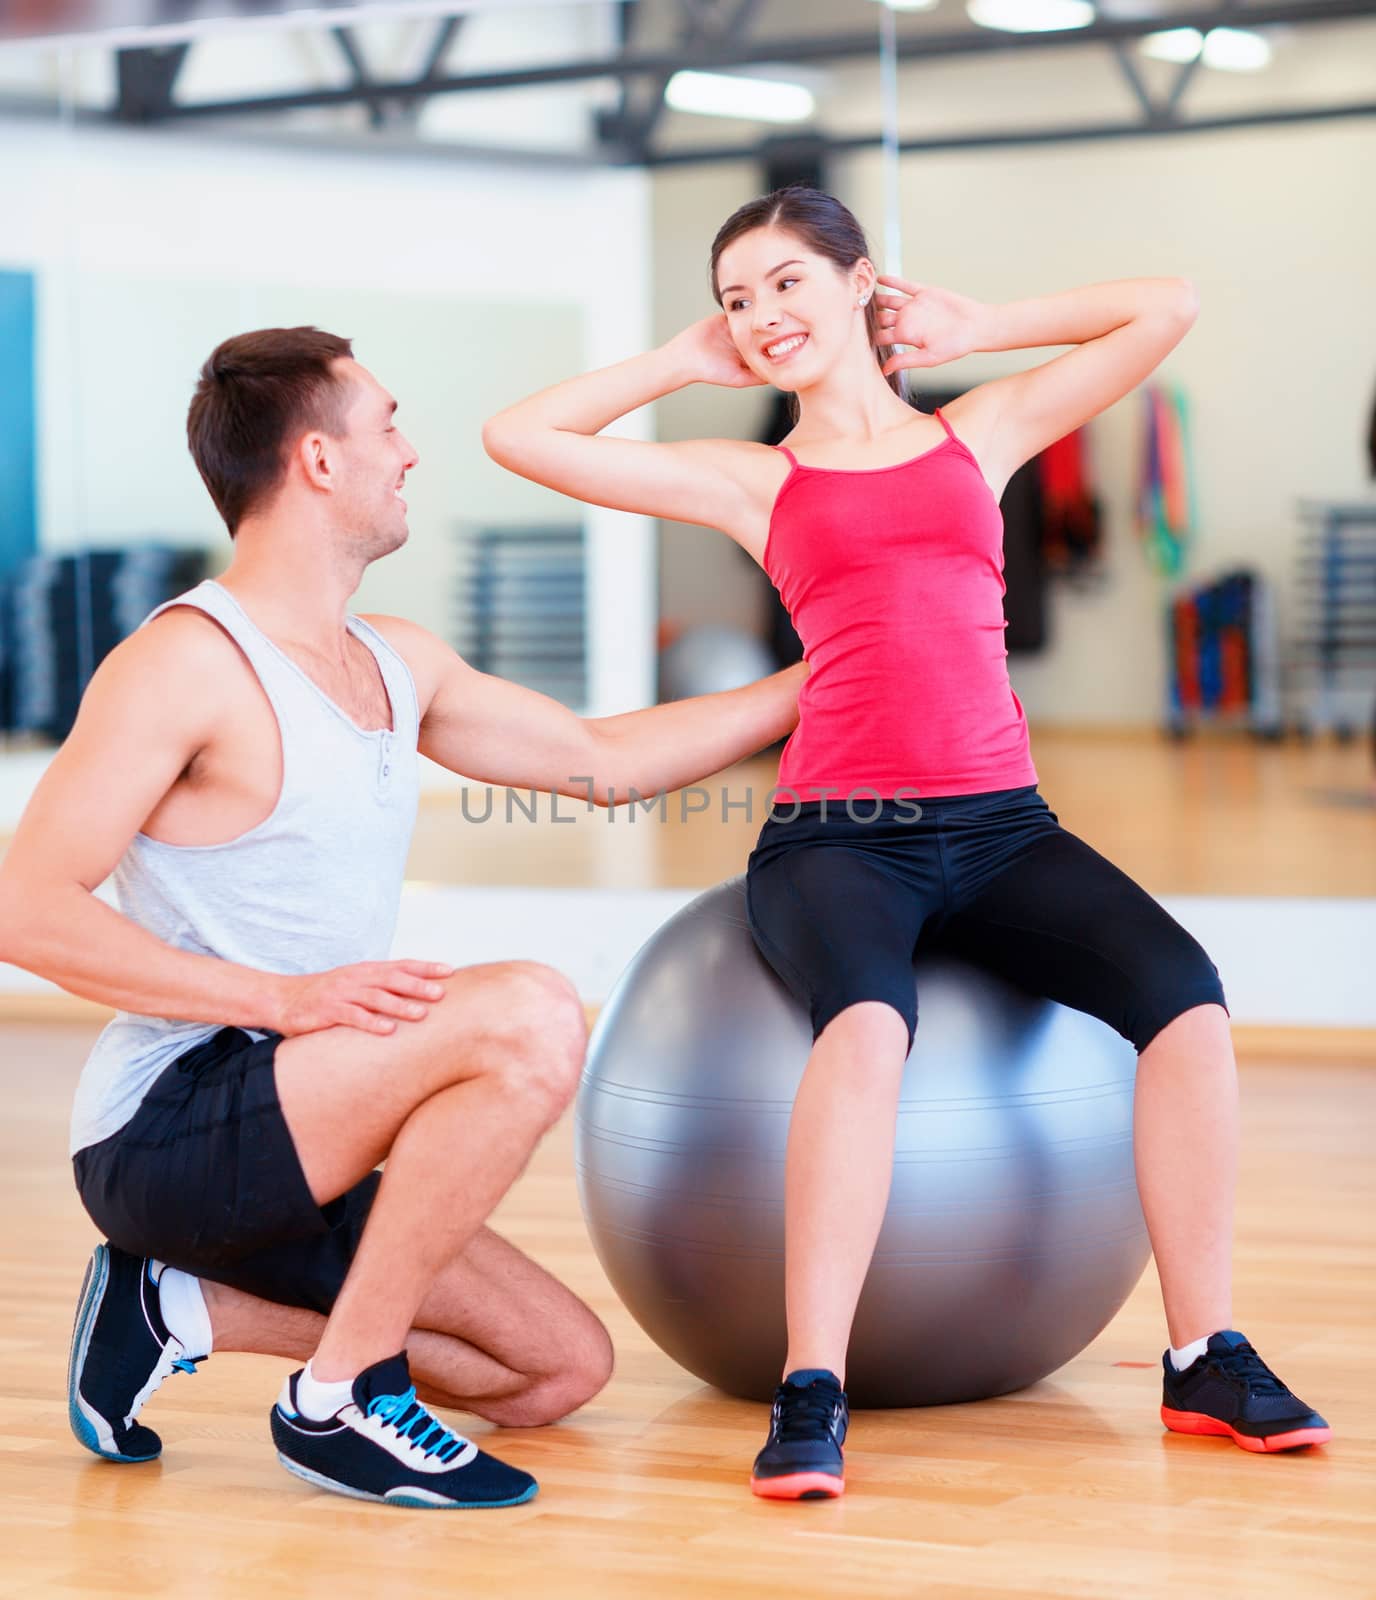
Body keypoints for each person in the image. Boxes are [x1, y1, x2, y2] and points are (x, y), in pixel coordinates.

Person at [482, 186, 1332, 1501]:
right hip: (840, 839)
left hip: (1004, 831)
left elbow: (1168, 305)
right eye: (736, 299)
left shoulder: (978, 433)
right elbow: (517, 435)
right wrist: (676, 362)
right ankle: (810, 1381)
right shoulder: (754, 479)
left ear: (856, 284)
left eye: (783, 284)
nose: (760, 316)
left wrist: (985, 322)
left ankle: (1201, 1355)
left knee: (1189, 1002)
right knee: (870, 1025)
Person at [0, 327, 807, 1511]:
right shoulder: (184, 663)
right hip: (170, 1131)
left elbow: (603, 760)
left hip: (307, 1124)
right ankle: (336, 1402)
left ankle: (173, 1307)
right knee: (527, 1011)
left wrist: (826, 671)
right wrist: (276, 1000)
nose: (411, 452)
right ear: (318, 461)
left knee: (552, 1369)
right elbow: (23, 907)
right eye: (387, 423)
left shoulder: (396, 662)